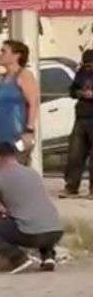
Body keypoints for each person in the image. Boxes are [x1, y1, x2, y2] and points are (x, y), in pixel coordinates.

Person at [0, 142, 63, 274]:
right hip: (56, 230)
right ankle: (48, 257)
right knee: (38, 216)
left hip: (31, 234)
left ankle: (17, 258)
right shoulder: (32, 173)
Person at [0, 40, 40, 155]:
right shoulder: (3, 79)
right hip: (0, 134)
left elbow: (34, 103)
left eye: (4, 51)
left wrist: (29, 130)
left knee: (16, 162)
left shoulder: (24, 75)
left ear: (16, 55)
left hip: (17, 133)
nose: (0, 54)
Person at [61, 49, 93, 198]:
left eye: (90, 65)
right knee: (75, 153)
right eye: (86, 65)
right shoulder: (82, 73)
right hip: (81, 117)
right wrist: (79, 93)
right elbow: (72, 90)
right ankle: (71, 186)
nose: (88, 68)